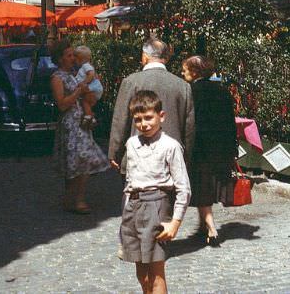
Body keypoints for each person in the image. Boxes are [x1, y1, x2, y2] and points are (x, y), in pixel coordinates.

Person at [120, 90, 191, 294]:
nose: (144, 124)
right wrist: (126, 213)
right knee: (142, 274)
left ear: (161, 116)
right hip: (133, 208)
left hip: (156, 206)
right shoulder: (132, 143)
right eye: (138, 119)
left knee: (156, 273)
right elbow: (130, 180)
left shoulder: (171, 146)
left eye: (149, 117)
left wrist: (175, 222)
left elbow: (183, 188)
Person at [108, 38, 195, 173]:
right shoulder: (182, 86)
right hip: (171, 161)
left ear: (145, 57)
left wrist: (114, 152)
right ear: (165, 58)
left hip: (137, 159)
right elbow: (189, 127)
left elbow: (121, 120)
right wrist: (186, 158)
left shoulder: (131, 82)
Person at [182, 55, 237, 246]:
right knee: (206, 186)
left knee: (202, 187)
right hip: (220, 146)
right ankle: (202, 225)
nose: (183, 73)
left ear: (195, 72)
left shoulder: (190, 91)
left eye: (185, 69)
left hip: (199, 147)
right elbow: (230, 122)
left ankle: (211, 228)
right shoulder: (222, 91)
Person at [50, 40, 110, 214]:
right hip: (70, 124)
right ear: (60, 59)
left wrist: (90, 90)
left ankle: (73, 199)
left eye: (73, 55)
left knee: (81, 160)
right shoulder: (57, 78)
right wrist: (79, 91)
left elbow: (87, 98)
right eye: (69, 55)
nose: (73, 58)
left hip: (80, 123)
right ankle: (76, 200)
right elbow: (61, 104)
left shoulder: (73, 75)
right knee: (78, 161)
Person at [73, 45, 102, 129]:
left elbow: (91, 74)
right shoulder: (84, 67)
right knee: (87, 103)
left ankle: (89, 116)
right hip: (93, 88)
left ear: (82, 59)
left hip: (93, 88)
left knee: (85, 101)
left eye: (77, 59)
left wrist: (84, 82)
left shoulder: (86, 65)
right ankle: (91, 117)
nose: (75, 61)